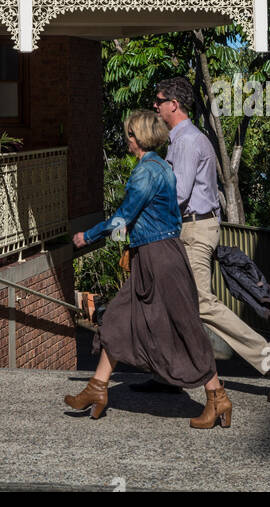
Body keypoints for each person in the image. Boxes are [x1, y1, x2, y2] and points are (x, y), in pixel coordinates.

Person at [66, 110, 233, 429]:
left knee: (185, 326)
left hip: (160, 259)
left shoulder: (146, 173)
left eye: (129, 134)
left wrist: (87, 236)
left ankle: (218, 396)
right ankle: (97, 389)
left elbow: (123, 217)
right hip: (155, 255)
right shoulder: (161, 167)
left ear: (137, 137)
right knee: (116, 318)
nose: (126, 140)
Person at [145, 75, 270, 402]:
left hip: (193, 231)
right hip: (191, 228)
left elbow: (177, 195)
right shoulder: (183, 139)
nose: (155, 105)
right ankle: (168, 374)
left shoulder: (187, 141)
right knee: (170, 301)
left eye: (159, 100)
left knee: (201, 304)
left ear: (174, 105)